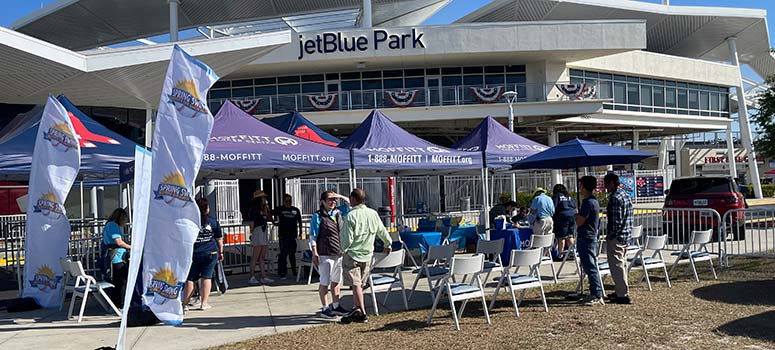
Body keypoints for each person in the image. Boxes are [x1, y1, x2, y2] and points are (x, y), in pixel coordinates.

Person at [339, 188, 392, 324]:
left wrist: (342, 249)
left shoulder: (350, 216)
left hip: (353, 254)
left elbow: (347, 238)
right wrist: (388, 243)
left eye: (350, 198)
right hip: (368, 254)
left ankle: (362, 312)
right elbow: (382, 230)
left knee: (356, 284)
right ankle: (356, 308)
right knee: (360, 284)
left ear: (354, 199)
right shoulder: (373, 213)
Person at [309, 191, 351, 318]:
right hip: (324, 253)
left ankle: (336, 305)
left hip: (338, 253)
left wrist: (339, 196)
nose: (333, 202)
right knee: (324, 282)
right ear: (322, 201)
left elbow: (351, 205)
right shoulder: (318, 216)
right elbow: (312, 236)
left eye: (334, 200)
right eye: (329, 200)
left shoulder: (338, 212)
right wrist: (314, 253)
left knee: (336, 281)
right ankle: (325, 308)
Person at [183, 198, 223, 311]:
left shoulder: (190, 222)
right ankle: (204, 303)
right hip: (211, 252)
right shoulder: (213, 221)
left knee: (191, 278)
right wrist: (221, 252)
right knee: (206, 277)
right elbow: (219, 239)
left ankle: (185, 304)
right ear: (207, 209)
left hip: (194, 253)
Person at [604, 173, 633, 305]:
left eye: (606, 184)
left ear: (611, 183)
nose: (605, 187)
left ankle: (622, 294)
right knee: (623, 263)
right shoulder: (625, 195)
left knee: (616, 265)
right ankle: (621, 291)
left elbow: (616, 221)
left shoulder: (615, 198)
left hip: (617, 236)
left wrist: (610, 236)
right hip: (626, 235)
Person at [575, 176, 604, 306]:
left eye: (580, 186)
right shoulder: (594, 201)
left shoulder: (588, 203)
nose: (579, 188)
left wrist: (576, 215)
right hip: (590, 236)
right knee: (589, 265)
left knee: (590, 266)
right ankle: (594, 292)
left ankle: (596, 294)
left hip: (586, 236)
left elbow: (580, 221)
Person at [101, 208, 131, 308]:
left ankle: (115, 303)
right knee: (121, 281)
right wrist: (131, 247)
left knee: (116, 281)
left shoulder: (108, 225)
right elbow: (118, 242)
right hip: (117, 257)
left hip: (110, 255)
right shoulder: (114, 225)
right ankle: (121, 304)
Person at [272, 194, 303, 280]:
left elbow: (299, 221)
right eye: (286, 201)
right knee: (283, 254)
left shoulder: (296, 210)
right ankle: (283, 272)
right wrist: (274, 222)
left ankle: (294, 271)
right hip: (283, 235)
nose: (288, 203)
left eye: (290, 201)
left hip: (293, 235)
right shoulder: (280, 209)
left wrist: (300, 232)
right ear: (283, 201)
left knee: (292, 254)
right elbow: (270, 213)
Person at [248, 190, 273, 285]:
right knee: (255, 256)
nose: (264, 199)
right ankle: (251, 276)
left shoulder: (263, 209)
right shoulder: (253, 209)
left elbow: (270, 218)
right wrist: (252, 232)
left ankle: (263, 275)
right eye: (263, 197)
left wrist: (267, 210)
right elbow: (252, 224)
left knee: (262, 256)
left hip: (264, 230)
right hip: (258, 231)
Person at [552, 184, 577, 261]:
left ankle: (560, 255)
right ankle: (572, 253)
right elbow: (574, 206)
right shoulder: (568, 196)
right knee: (570, 235)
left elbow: (553, 207)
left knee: (561, 236)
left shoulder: (557, 196)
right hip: (572, 216)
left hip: (562, 217)